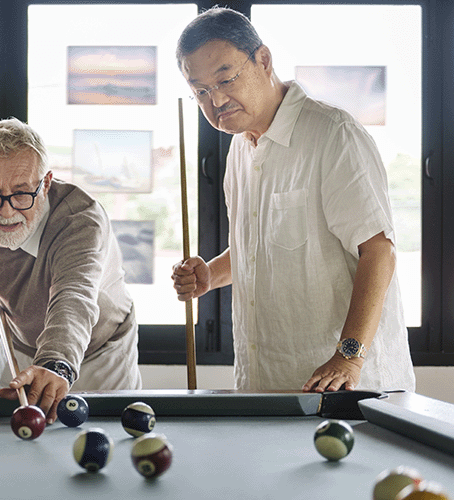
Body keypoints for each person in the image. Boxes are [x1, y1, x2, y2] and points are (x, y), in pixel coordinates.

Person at [171, 7, 415, 393]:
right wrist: (210, 275)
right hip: (266, 384)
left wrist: (349, 356)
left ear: (263, 60)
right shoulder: (239, 149)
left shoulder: (333, 135)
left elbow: (378, 251)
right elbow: (259, 249)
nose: (215, 100)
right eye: (200, 90)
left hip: (346, 388)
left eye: (225, 78)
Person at [0, 118, 142, 423]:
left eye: (22, 193)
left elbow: (73, 298)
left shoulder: (80, 221)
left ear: (45, 183)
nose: (6, 211)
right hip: (18, 340)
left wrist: (56, 365)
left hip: (101, 351)